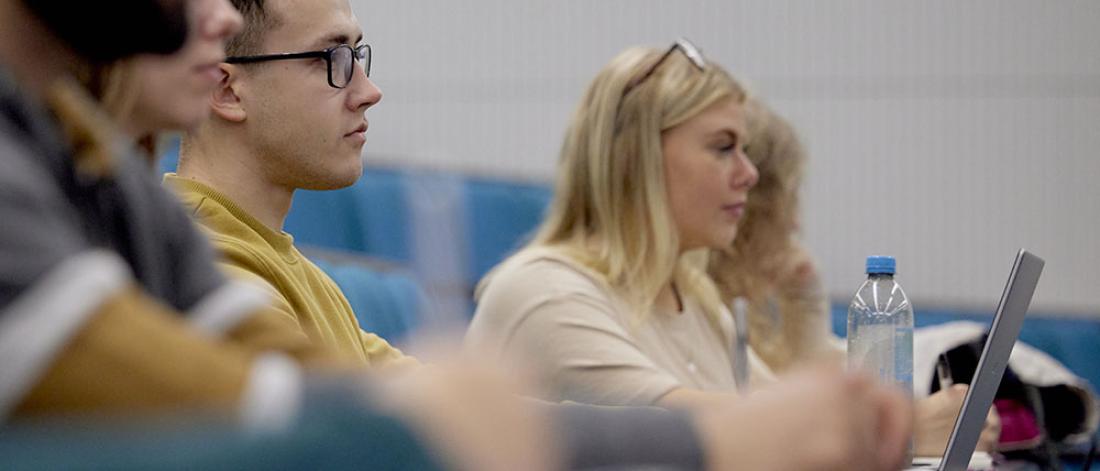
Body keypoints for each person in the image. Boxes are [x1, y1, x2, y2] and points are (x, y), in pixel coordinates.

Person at [168, 0, 914, 466]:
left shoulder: (295, 270)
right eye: (334, 59)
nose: (368, 87)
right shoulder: (210, 269)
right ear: (228, 85)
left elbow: (468, 413)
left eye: (360, 56)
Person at [706, 98, 1003, 456]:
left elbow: (823, 399)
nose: (795, 223)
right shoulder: (703, 309)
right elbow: (771, 431)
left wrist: (806, 303)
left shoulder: (750, 308)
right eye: (785, 202)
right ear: (751, 209)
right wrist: (908, 435)